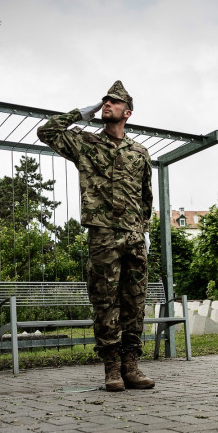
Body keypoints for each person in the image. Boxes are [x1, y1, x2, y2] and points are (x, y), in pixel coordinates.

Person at [37, 81, 154, 392]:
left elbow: (146, 197)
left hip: (133, 237)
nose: (106, 104)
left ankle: (131, 365)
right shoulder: (86, 143)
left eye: (114, 102)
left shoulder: (140, 152)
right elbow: (46, 132)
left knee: (135, 302)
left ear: (127, 112)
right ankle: (112, 368)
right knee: (105, 301)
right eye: (104, 101)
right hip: (102, 236)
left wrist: (143, 230)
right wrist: (79, 113)